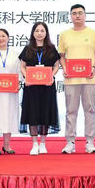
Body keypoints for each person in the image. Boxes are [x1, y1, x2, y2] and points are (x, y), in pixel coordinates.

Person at [58, 4, 95, 154]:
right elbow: (61, 56)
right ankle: (70, 142)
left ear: (85, 15)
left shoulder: (94, 34)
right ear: (70, 16)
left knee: (90, 110)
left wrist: (94, 67)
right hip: (71, 79)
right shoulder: (64, 34)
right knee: (71, 111)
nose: (77, 16)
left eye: (80, 13)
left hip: (89, 78)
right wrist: (65, 68)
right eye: (74, 13)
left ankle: (90, 142)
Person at [19, 22, 60, 155]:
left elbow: (56, 65)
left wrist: (51, 76)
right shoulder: (27, 49)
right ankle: (34, 144)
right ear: (33, 33)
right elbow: (22, 66)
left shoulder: (51, 49)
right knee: (32, 113)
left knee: (45, 112)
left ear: (46, 33)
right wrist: (27, 77)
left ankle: (43, 143)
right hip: (31, 87)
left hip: (47, 87)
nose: (39, 33)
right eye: (37, 31)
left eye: (42, 31)